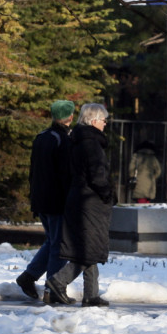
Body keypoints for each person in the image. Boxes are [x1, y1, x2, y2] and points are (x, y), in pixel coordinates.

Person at [45, 102, 114, 307]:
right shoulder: (90, 142)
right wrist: (107, 193)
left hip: (81, 199)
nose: (105, 124)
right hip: (90, 201)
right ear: (94, 121)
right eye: (104, 120)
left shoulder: (78, 139)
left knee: (90, 247)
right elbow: (96, 175)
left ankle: (91, 294)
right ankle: (58, 281)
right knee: (88, 250)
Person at [15, 100, 75, 300]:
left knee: (52, 241)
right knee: (60, 245)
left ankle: (29, 276)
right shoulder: (63, 140)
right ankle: (53, 287)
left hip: (41, 198)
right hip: (57, 200)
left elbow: (34, 170)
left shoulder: (42, 137)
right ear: (71, 117)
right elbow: (65, 174)